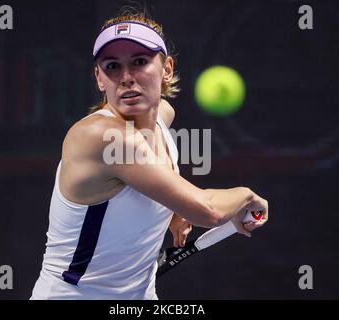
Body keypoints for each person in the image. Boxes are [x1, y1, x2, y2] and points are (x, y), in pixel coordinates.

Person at [31, 11, 268, 300]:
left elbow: (143, 177)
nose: (127, 77)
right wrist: (246, 196)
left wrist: (171, 213)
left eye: (140, 62)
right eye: (112, 66)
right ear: (99, 78)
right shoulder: (103, 137)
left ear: (167, 68)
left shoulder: (162, 117)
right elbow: (209, 210)